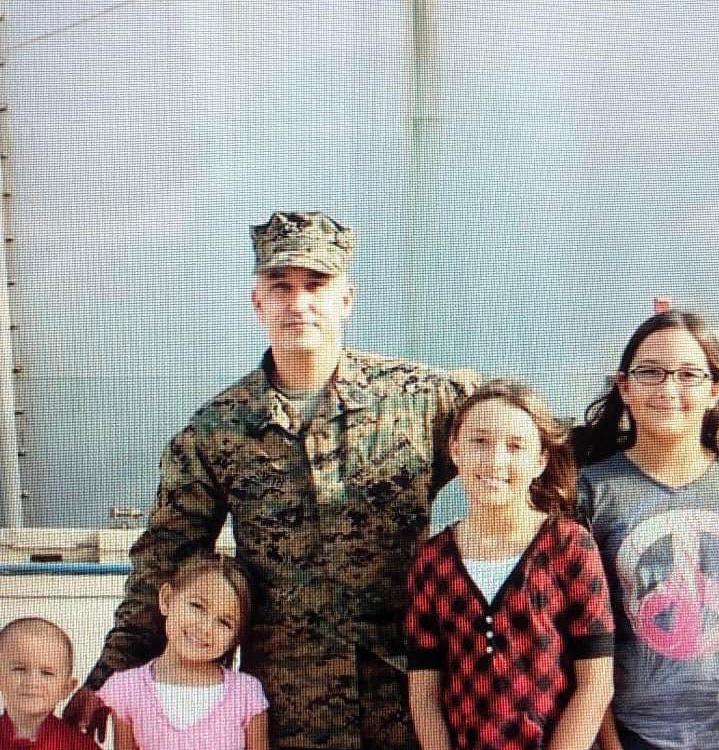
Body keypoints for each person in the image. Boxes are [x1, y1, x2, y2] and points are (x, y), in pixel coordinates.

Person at [64, 211, 476, 750]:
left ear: (346, 298)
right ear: (258, 301)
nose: (298, 303)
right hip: (284, 706)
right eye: (280, 287)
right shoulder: (218, 430)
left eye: (316, 285)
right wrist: (110, 673)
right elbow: (167, 557)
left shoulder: (422, 402)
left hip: (407, 694)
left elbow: (532, 443)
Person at [574, 310, 719, 750]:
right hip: (637, 735)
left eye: (689, 374)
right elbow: (581, 637)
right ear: (624, 387)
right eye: (650, 372)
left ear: (715, 390)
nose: (668, 389)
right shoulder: (591, 491)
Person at [406, 379, 614, 750]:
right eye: (479, 441)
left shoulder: (569, 545)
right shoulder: (432, 560)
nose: (495, 460)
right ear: (455, 449)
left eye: (515, 446)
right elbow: (424, 693)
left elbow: (596, 684)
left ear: (540, 460)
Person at [97, 551, 268, 750]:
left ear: (236, 637)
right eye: (197, 606)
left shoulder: (247, 694)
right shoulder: (127, 689)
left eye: (224, 622)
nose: (205, 628)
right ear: (167, 600)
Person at [0, 617, 99, 749]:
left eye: (47, 673)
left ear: (66, 688)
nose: (32, 682)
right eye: (19, 669)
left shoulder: (80, 746)